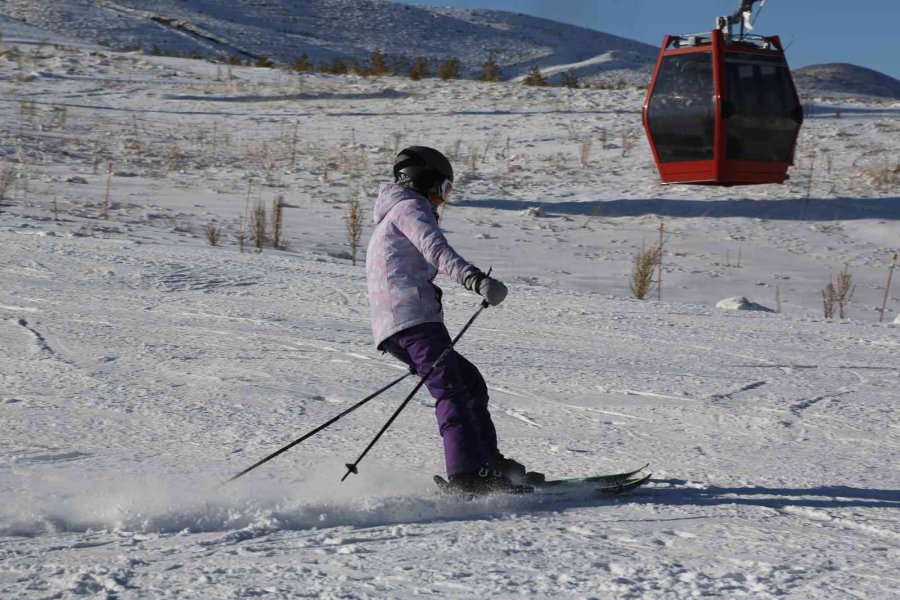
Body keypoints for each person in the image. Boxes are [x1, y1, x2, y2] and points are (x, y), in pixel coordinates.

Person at [365, 146, 543, 494]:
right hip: (412, 318)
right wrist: (476, 280)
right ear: (425, 180)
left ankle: (487, 464)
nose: (442, 200)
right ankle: (467, 475)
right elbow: (436, 249)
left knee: (468, 382)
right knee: (452, 389)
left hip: (398, 323)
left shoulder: (393, 214)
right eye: (443, 189)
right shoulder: (410, 208)